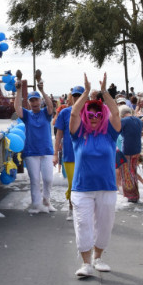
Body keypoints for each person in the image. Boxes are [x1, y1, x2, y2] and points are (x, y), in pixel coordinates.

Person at [69, 72, 121, 278]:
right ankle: (85, 263)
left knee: (105, 225)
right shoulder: (79, 136)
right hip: (82, 188)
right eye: (90, 115)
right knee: (83, 225)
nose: (94, 118)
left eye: (98, 115)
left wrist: (104, 92)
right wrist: (86, 93)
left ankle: (98, 258)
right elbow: (73, 114)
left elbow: (116, 114)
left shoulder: (110, 135)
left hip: (106, 187)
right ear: (85, 117)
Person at [14, 83, 55, 214]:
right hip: (31, 152)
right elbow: (17, 107)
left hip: (46, 151)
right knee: (35, 180)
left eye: (36, 99)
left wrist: (42, 90)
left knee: (48, 179)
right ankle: (36, 204)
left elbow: (50, 106)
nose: (34, 102)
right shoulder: (27, 115)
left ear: (40, 100)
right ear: (29, 103)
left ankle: (46, 200)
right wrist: (19, 90)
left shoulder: (45, 114)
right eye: (32, 100)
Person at [54, 85, 84, 219]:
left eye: (80, 95)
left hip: (87, 155)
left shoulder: (91, 112)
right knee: (73, 183)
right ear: (71, 97)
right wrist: (55, 153)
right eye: (75, 95)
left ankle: (84, 209)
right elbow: (59, 133)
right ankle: (71, 207)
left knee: (85, 183)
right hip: (70, 155)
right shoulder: (64, 113)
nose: (77, 98)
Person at [116, 105, 143, 203]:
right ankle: (135, 194)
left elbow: (116, 132)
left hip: (127, 149)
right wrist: (138, 135)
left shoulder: (123, 121)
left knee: (127, 172)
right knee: (133, 171)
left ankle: (132, 195)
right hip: (137, 149)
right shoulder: (138, 120)